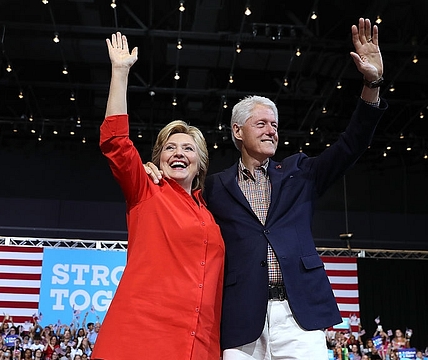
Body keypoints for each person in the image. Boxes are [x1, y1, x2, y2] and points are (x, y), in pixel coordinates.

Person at [145, 18, 386, 360]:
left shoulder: (300, 172)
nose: (271, 131)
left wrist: (372, 83)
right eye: (261, 124)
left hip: (298, 316)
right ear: (238, 131)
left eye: (274, 125)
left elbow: (352, 144)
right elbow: (179, 208)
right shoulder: (215, 188)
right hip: (242, 320)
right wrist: (154, 171)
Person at [90, 32, 225, 359]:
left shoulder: (211, 213)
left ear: (200, 162)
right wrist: (120, 73)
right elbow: (116, 144)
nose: (178, 153)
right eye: (169, 147)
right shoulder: (146, 189)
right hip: (141, 336)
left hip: (200, 343)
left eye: (188, 148)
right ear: (159, 157)